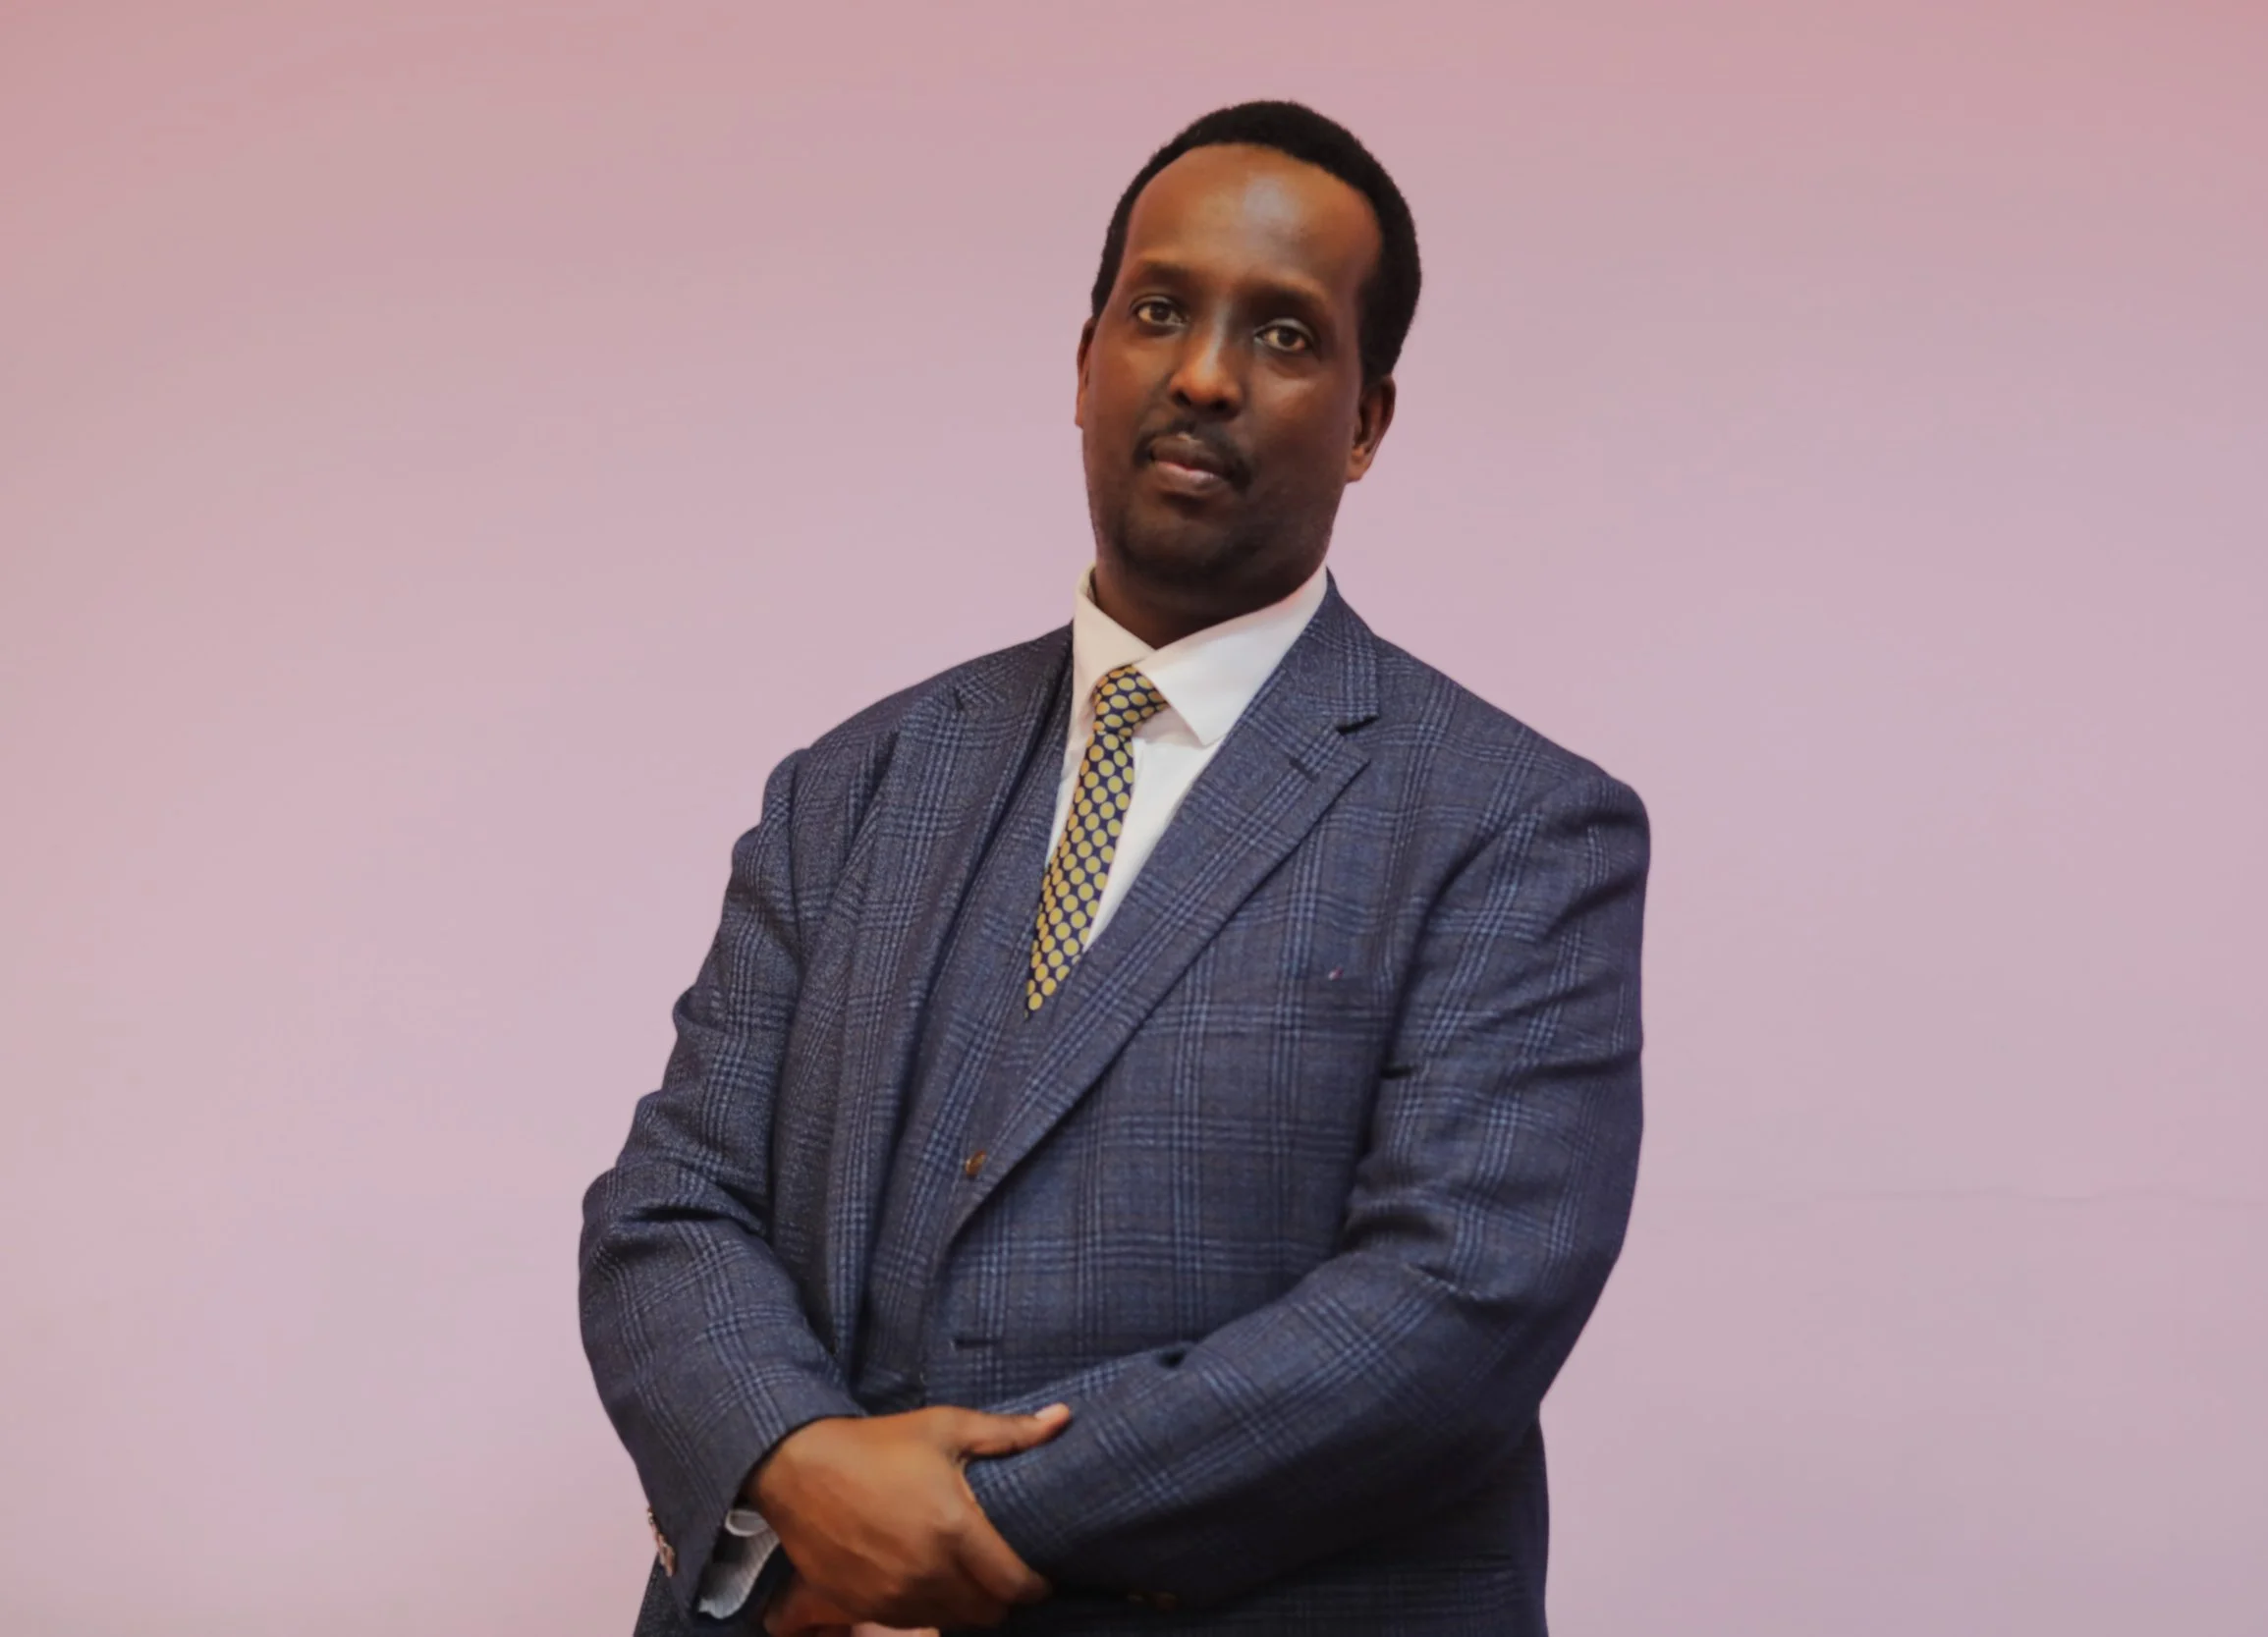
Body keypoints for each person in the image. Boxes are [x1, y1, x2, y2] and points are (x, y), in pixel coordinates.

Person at [579, 99, 1649, 1637]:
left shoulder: (1518, 825)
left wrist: (925, 1523)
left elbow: (1449, 1312)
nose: (1204, 373)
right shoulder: (851, 783)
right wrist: (791, 1460)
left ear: (1365, 422)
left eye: (1283, 335)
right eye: (1159, 311)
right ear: (1083, 365)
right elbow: (671, 1202)